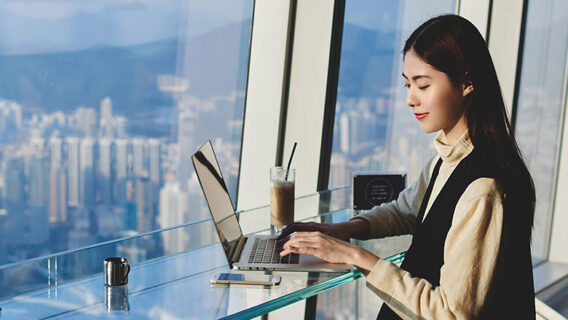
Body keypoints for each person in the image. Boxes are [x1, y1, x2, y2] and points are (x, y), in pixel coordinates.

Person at [278, 14, 536, 319]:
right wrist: (338, 231)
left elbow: (451, 313)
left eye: (422, 85)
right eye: (407, 85)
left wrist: (354, 256)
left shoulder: (483, 187)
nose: (410, 99)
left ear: (467, 82)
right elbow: (405, 211)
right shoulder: (448, 160)